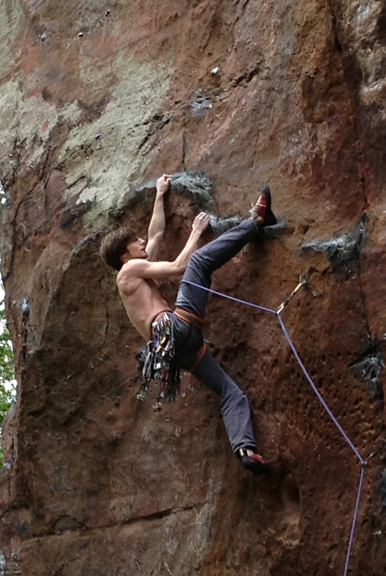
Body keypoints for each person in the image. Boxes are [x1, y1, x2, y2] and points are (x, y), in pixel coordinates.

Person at [99, 175, 275, 474]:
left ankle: (245, 449)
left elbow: (155, 234)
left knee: (231, 393)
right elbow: (181, 266)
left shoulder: (135, 271)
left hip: (179, 353)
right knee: (198, 263)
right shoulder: (129, 270)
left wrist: (160, 195)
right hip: (173, 330)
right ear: (124, 255)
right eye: (135, 242)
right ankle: (257, 221)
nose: (142, 242)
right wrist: (195, 233)